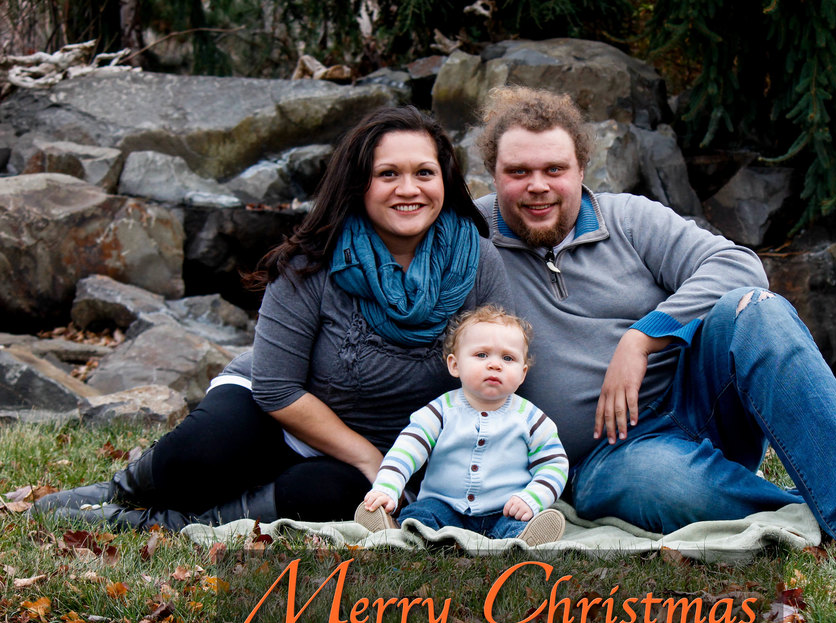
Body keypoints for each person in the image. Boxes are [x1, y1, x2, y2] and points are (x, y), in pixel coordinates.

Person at [471, 86, 836, 559]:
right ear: (493, 174)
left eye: (554, 169)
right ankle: (831, 500)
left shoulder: (628, 219)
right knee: (659, 484)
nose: (537, 185)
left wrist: (643, 336)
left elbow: (739, 266)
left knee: (756, 309)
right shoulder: (471, 238)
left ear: (581, 171)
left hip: (702, 402)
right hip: (606, 458)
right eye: (518, 172)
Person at [29, 105, 513, 530]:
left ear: (444, 181)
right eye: (388, 174)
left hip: (395, 446)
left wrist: (405, 465)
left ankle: (168, 523)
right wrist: (368, 458)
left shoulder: (478, 263)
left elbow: (500, 368)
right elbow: (276, 388)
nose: (408, 189)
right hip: (278, 410)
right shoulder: (314, 258)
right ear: (359, 182)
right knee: (197, 457)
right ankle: (121, 492)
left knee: (325, 497)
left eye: (424, 173)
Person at [355, 304, 568, 546]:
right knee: (421, 514)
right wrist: (387, 488)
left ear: (522, 373)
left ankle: (521, 539)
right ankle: (397, 532)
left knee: (518, 522)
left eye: (508, 358)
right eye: (481, 355)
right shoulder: (441, 410)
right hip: (444, 505)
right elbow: (407, 449)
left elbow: (554, 465)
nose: (495, 364)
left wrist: (532, 499)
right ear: (454, 365)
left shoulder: (531, 418)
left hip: (504, 509)